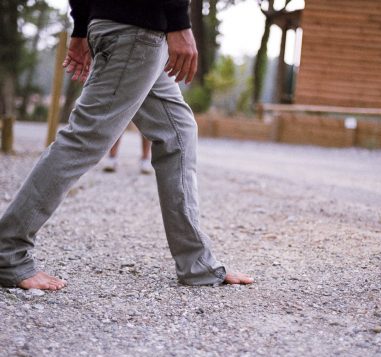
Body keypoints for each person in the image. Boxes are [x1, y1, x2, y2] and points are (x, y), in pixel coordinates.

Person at [0, 0, 253, 290]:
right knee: (83, 139)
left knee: (177, 133)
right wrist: (179, 22)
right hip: (137, 27)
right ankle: (7, 251)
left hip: (125, 26)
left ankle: (197, 264)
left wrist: (82, 25)